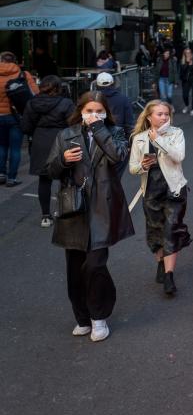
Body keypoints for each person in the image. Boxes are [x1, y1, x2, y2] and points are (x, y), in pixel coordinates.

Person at [47, 91, 135, 342]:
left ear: (106, 112)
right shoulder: (66, 135)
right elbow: (50, 170)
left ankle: (99, 317)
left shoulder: (114, 132)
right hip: (73, 207)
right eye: (88, 111)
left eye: (99, 111)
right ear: (80, 111)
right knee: (75, 267)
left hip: (103, 206)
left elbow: (118, 156)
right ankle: (82, 317)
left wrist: (99, 128)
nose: (93, 115)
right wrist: (63, 161)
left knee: (95, 263)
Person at [129, 100, 191, 296]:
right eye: (160, 114)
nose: (164, 117)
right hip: (151, 191)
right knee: (155, 231)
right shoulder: (139, 138)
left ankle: (170, 275)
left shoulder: (176, 133)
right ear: (149, 117)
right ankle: (160, 263)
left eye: (166, 114)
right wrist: (144, 165)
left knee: (171, 229)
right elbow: (132, 168)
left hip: (174, 189)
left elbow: (179, 156)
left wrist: (159, 140)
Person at [20, 75, 73, 227]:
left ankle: (45, 216)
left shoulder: (32, 103)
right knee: (66, 177)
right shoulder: (66, 103)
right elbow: (73, 123)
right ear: (58, 87)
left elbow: (26, 127)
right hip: (61, 140)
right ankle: (65, 211)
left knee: (44, 179)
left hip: (40, 141)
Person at [0, 52, 38, 186]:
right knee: (15, 148)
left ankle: (1, 174)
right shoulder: (23, 74)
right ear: (15, 61)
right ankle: (11, 178)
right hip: (17, 116)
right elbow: (35, 94)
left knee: (2, 146)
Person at [95, 72, 135, 140]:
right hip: (119, 138)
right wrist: (130, 142)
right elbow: (129, 124)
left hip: (97, 138)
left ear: (97, 85)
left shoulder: (93, 100)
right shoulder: (124, 99)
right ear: (113, 83)